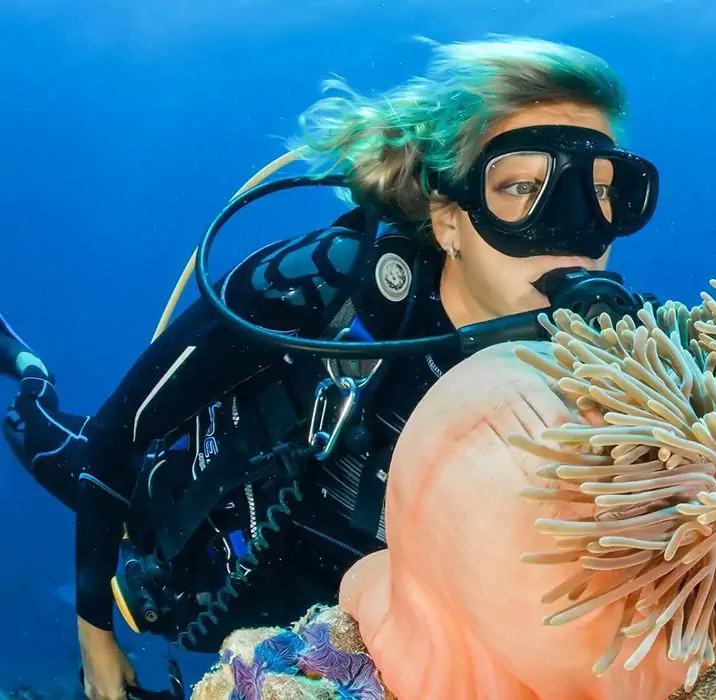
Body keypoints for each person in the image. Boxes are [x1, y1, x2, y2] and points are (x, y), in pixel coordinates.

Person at [1, 36, 659, 700]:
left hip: (346, 626)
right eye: (522, 186)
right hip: (187, 538)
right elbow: (120, 430)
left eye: (606, 193)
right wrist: (95, 642)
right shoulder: (316, 290)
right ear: (448, 216)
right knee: (52, 439)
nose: (578, 229)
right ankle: (26, 367)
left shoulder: (609, 362)